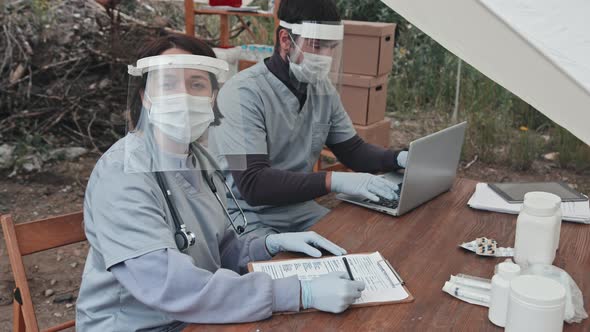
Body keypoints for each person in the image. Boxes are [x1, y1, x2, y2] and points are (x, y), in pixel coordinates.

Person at [75, 34, 365, 332]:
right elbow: (167, 284)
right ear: (145, 96)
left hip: (197, 314)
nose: (183, 95)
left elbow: (220, 248)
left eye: (197, 84)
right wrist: (299, 292)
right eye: (168, 83)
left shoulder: (200, 158)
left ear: (212, 96)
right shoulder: (123, 173)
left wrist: (269, 243)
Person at [209, 0, 408, 237]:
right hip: (244, 214)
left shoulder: (320, 89)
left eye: (332, 47)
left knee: (362, 241)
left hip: (296, 208)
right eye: (317, 46)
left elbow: (353, 151)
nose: (326, 56)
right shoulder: (242, 94)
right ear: (285, 40)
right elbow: (253, 184)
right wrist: (332, 180)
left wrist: (400, 158)